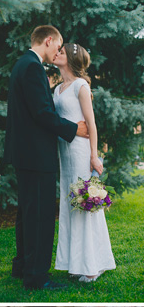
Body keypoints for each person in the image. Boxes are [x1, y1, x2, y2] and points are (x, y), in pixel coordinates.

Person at [4, 25, 94, 291]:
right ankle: (37, 277)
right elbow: (41, 113)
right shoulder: (32, 67)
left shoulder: (24, 64)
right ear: (48, 40)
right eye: (58, 45)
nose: (58, 50)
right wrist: (73, 129)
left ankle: (22, 266)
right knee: (40, 216)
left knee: (27, 213)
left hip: (25, 153)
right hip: (35, 154)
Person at [53, 43, 116, 282]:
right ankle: (75, 263)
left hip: (80, 153)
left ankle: (93, 265)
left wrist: (93, 156)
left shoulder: (81, 85)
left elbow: (91, 123)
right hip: (64, 155)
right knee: (70, 206)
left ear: (70, 58)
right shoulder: (57, 89)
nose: (57, 53)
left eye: (61, 51)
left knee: (84, 203)